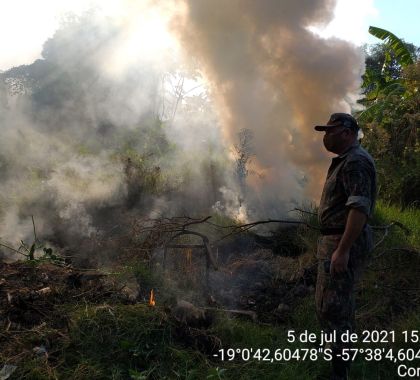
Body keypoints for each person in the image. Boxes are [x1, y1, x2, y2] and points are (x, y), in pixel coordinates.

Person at [314, 113, 377, 380]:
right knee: (329, 305)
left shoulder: (355, 162)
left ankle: (340, 374)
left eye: (331, 131)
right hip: (334, 240)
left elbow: (359, 208)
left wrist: (343, 250)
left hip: (341, 241)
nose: (325, 136)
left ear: (348, 133)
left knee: (336, 309)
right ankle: (336, 364)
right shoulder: (346, 161)